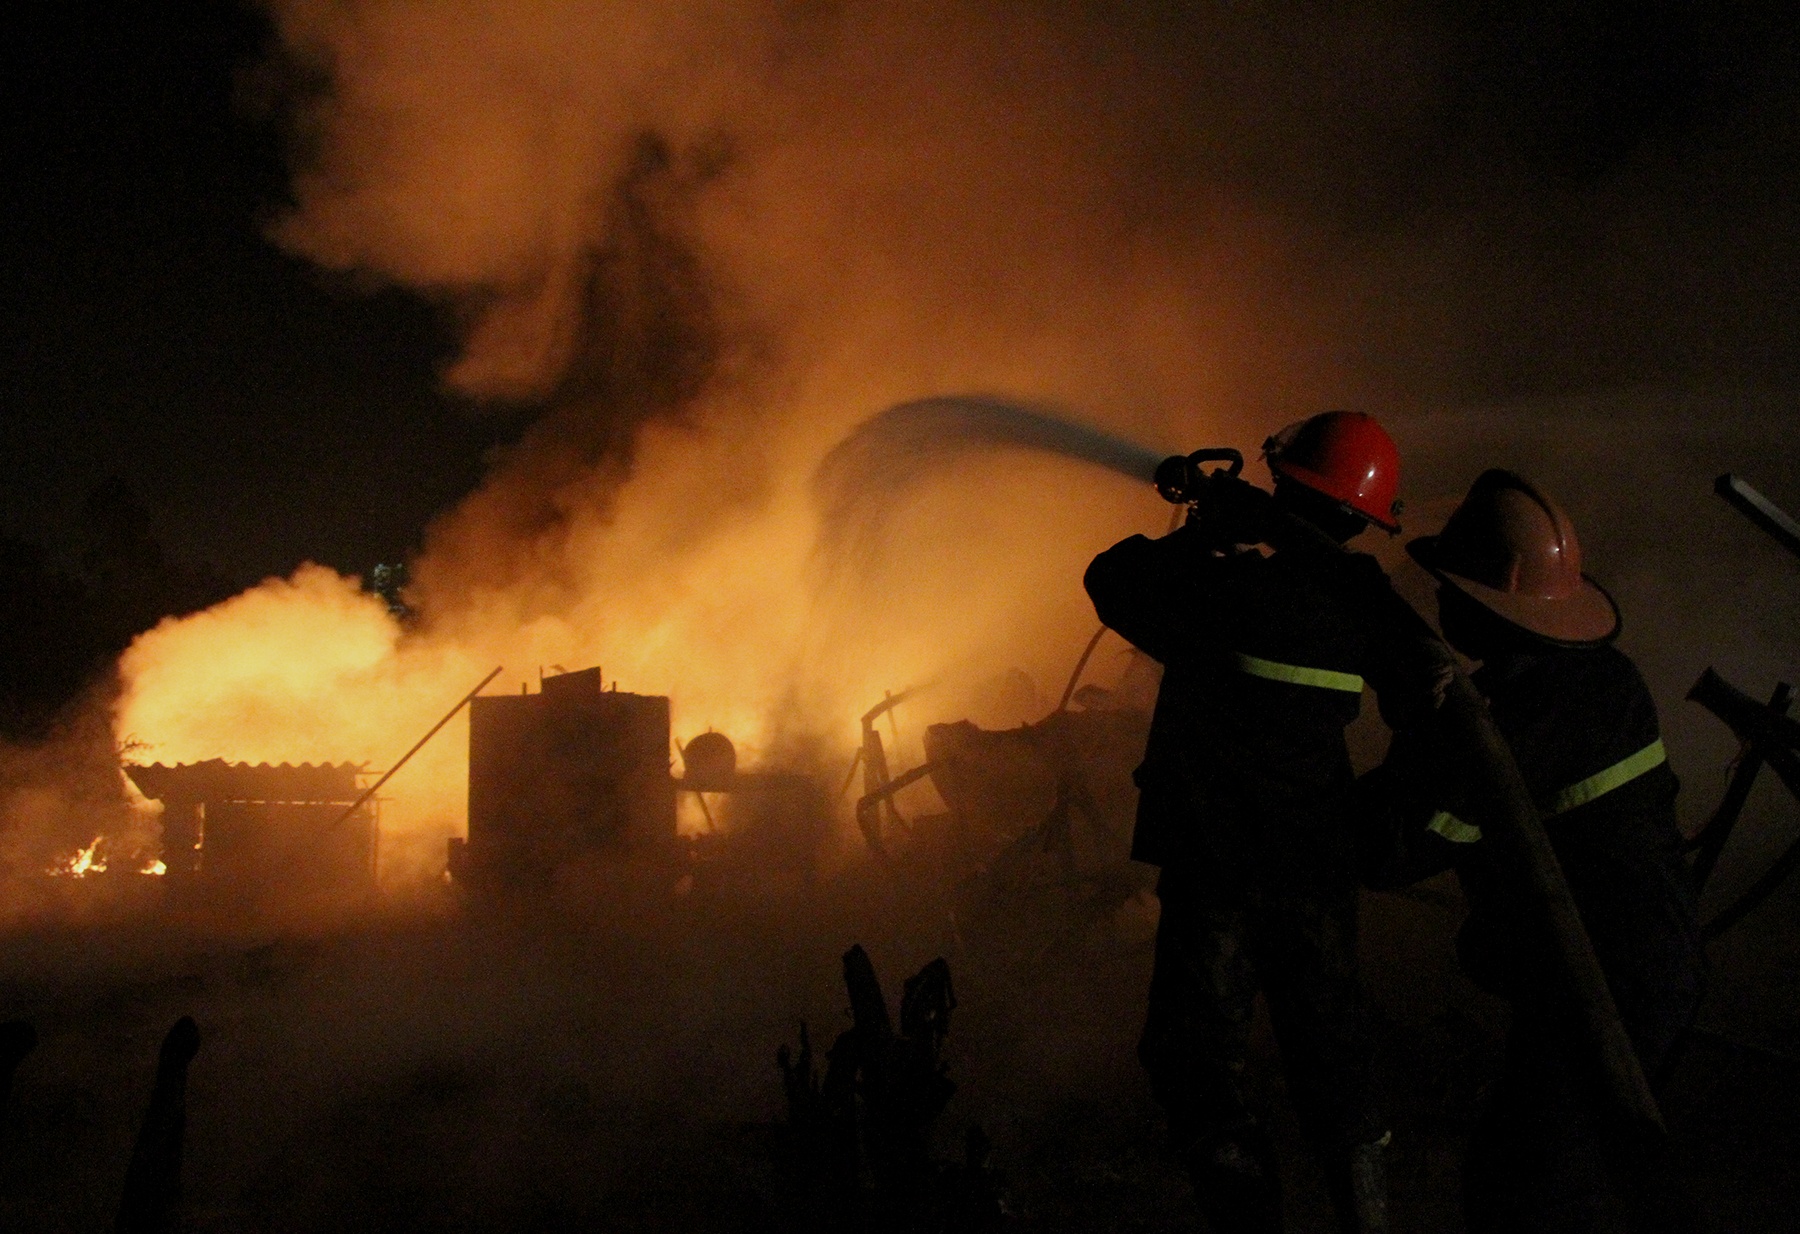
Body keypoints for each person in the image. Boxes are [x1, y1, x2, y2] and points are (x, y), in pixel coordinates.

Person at [1085, 411, 1416, 1234]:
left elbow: (1112, 579)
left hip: (1219, 868)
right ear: (1359, 518)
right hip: (1315, 866)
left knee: (1198, 1065)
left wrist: (1207, 533)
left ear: (1282, 484)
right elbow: (1424, 689)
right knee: (1334, 1059)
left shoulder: (1224, 581)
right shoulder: (1360, 595)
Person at [1354, 469, 1702, 1233]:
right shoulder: (1601, 680)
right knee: (1550, 1172)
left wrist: (1420, 719)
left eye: (1451, 587)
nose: (1440, 601)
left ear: (1490, 607)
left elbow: (1384, 849)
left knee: (1532, 1189)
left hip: (1606, 986)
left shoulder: (1512, 727)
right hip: (1634, 965)